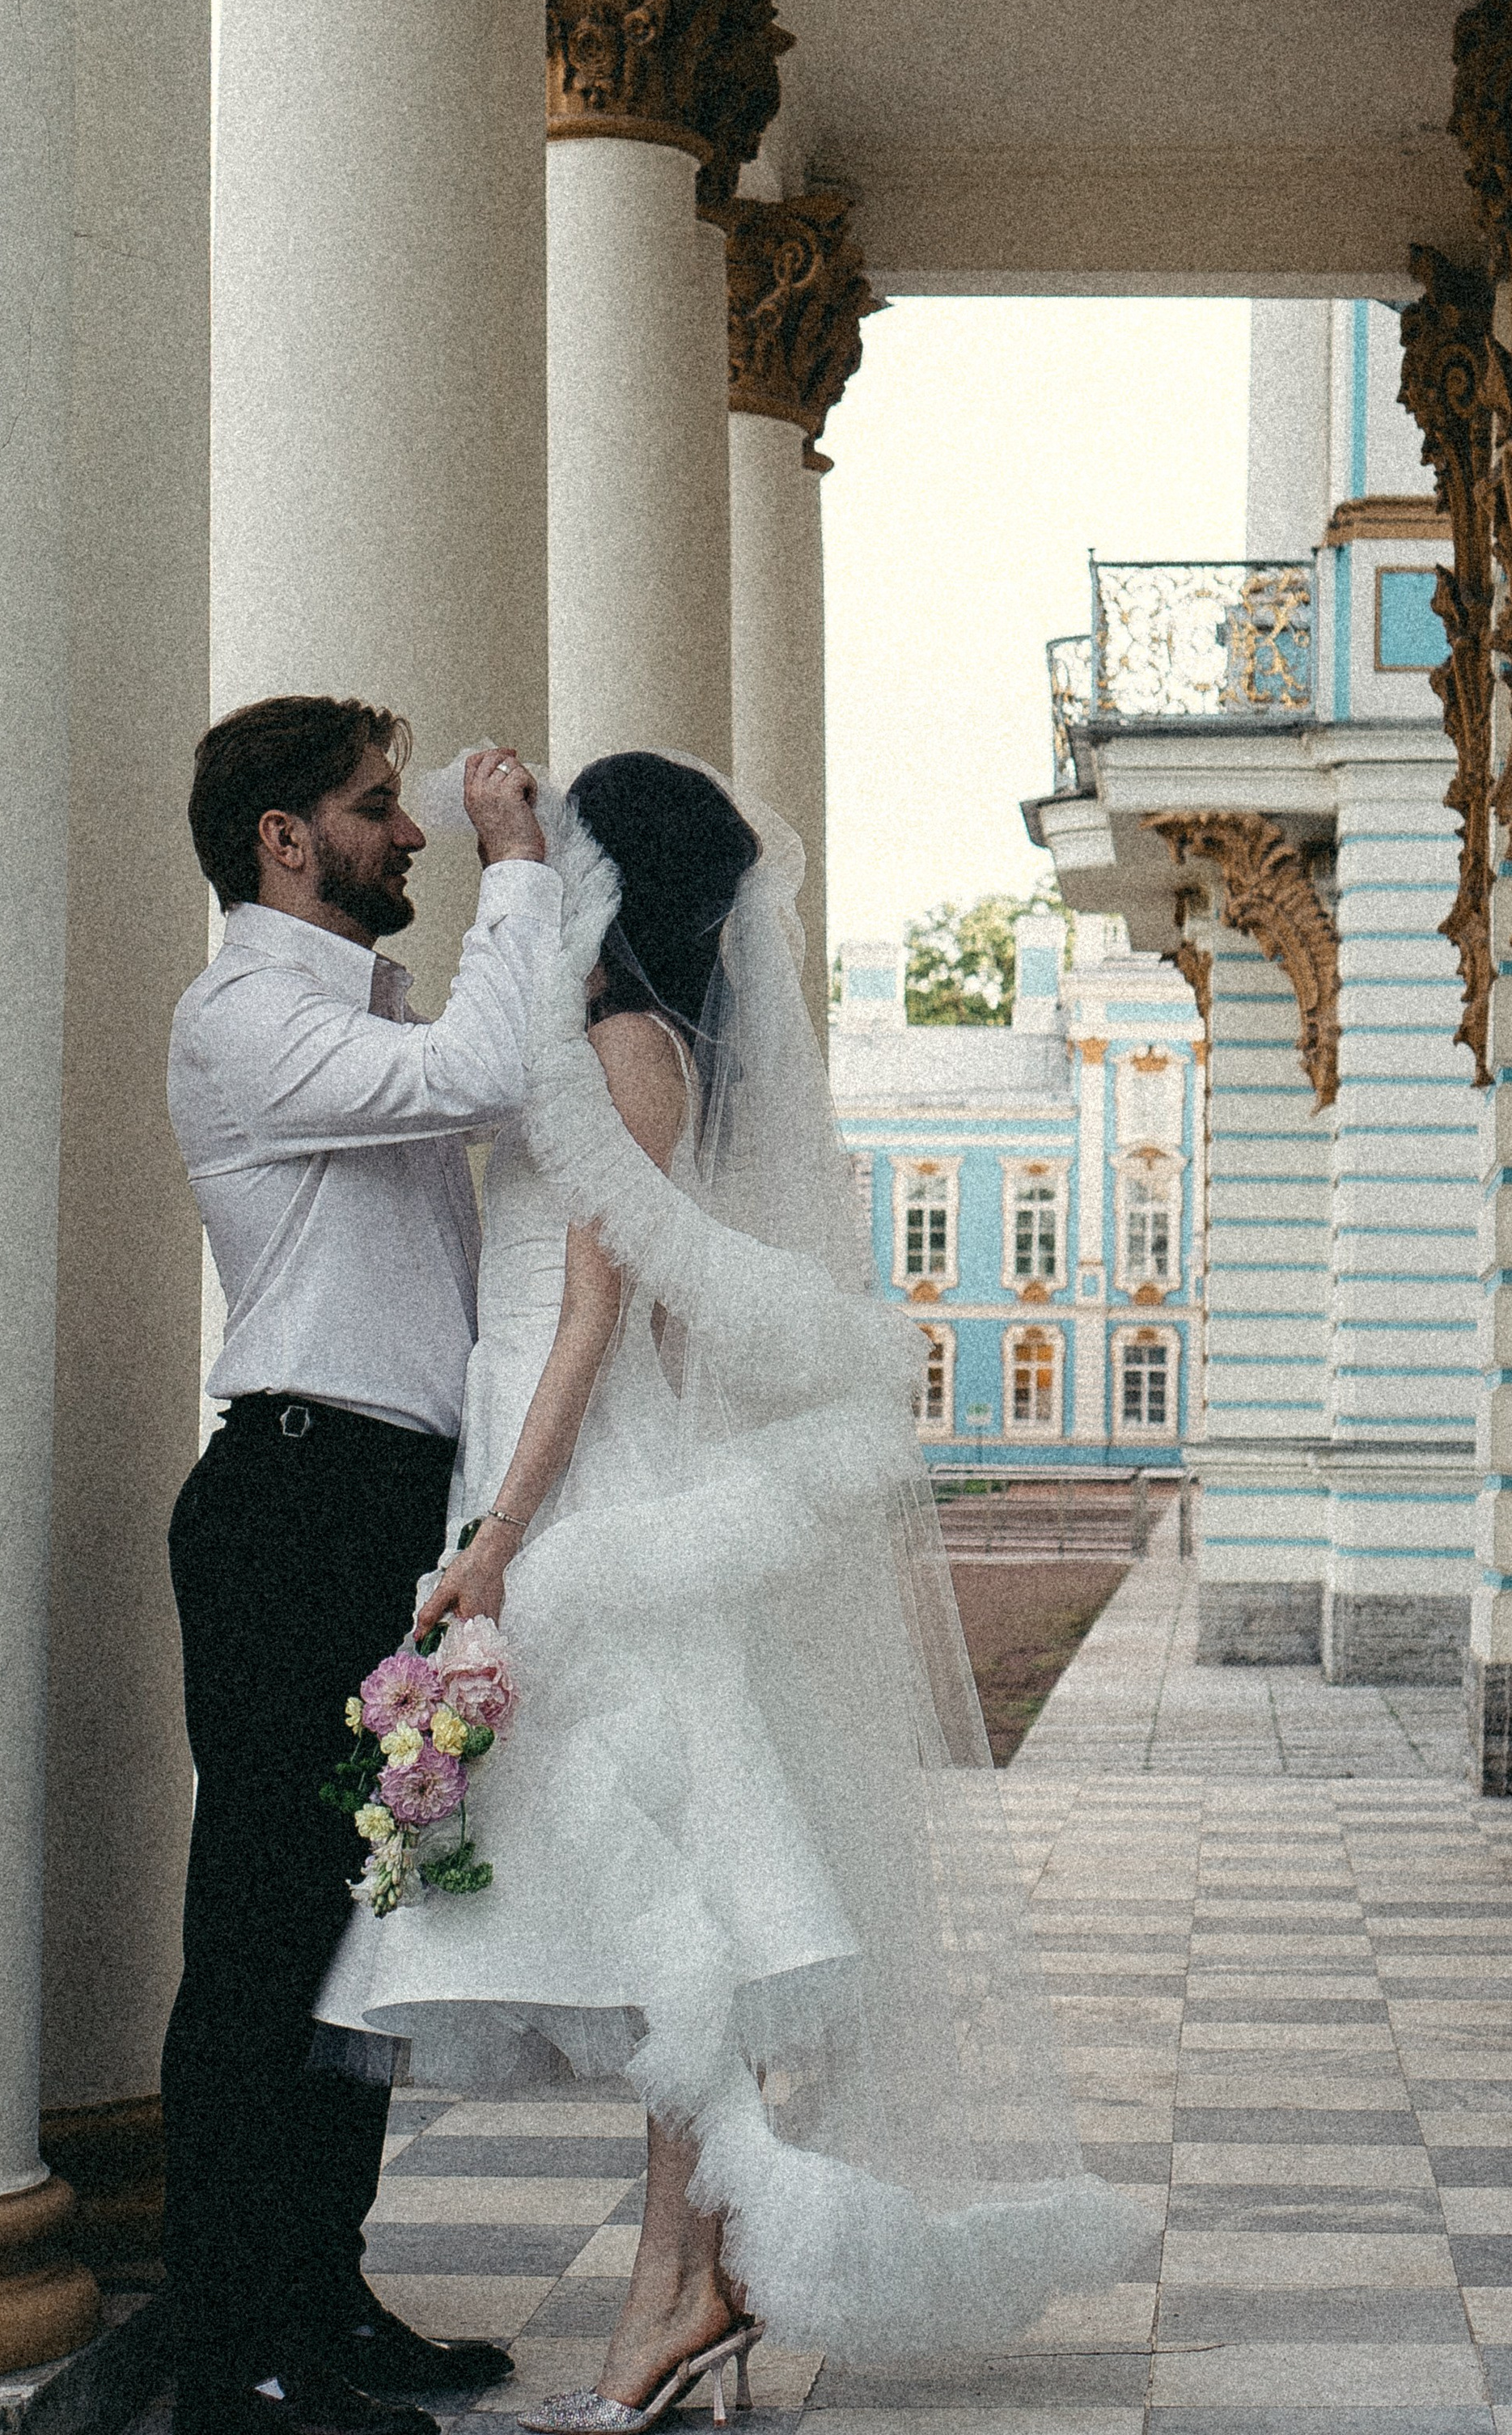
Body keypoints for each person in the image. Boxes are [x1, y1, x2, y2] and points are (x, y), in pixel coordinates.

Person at [316, 752, 1146, 2426]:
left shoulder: (629, 1051)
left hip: (576, 1480)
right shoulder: (603, 1044)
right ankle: (693, 2280)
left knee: (693, 1893)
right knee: (664, 1902)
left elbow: (594, 1317)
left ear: (617, 883)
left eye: (572, 854)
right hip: (548, 1453)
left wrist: (503, 1535)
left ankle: (677, 2287)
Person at [163, 695, 561, 2435]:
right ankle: (232, 2350)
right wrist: (519, 865)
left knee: (356, 1936)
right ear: (282, 838)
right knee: (262, 1938)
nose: (409, 835)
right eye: (376, 806)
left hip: (383, 1505)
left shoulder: (360, 1005)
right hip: (293, 1500)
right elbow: (484, 1074)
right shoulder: (247, 1015)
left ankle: (319, 2300)